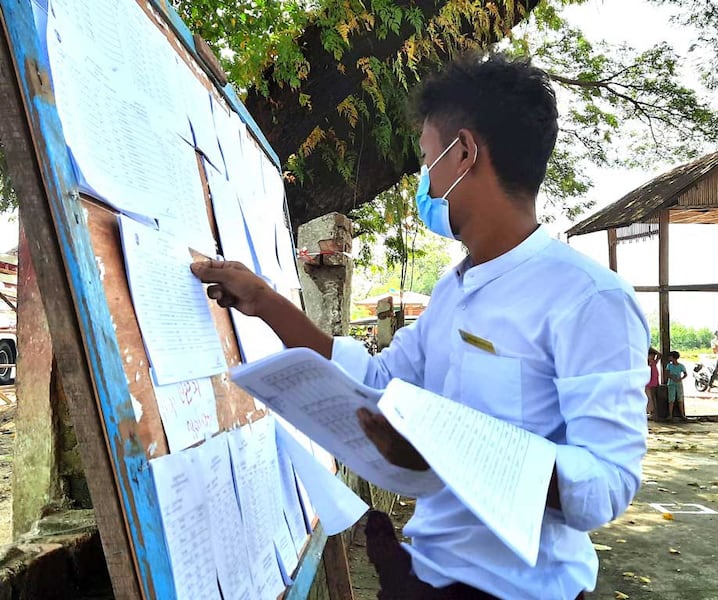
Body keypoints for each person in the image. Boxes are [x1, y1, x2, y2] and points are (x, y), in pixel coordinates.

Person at [191, 54, 649, 600]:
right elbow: (380, 379)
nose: (425, 183)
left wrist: (455, 451)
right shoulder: (454, 290)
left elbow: (606, 484)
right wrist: (266, 302)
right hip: (422, 576)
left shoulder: (587, 298)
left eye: (428, 160)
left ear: (465, 153)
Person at [665, 351, 688, 422]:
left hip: (677, 383)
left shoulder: (681, 366)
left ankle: (682, 415)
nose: (669, 358)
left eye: (670, 356)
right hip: (672, 383)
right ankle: (670, 415)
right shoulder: (669, 365)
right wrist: (674, 378)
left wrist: (680, 379)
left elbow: (685, 374)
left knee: (679, 399)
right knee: (671, 400)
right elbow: (667, 374)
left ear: (673, 357)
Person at [645, 348, 661, 419]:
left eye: (653, 356)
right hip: (648, 381)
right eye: (651, 355)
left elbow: (659, 355)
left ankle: (652, 413)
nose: (653, 357)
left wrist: (652, 349)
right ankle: (649, 412)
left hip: (653, 382)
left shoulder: (654, 362)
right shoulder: (645, 363)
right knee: (649, 397)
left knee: (652, 397)